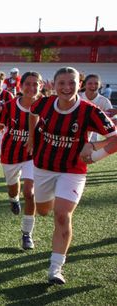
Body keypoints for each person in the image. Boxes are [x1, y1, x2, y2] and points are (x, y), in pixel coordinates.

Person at [27, 66, 116, 285]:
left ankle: (55, 269)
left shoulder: (90, 111)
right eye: (62, 83)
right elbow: (32, 113)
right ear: (55, 85)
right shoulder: (44, 103)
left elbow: (115, 138)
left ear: (81, 84)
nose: (67, 87)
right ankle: (51, 205)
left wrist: (94, 150)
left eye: (72, 83)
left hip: (73, 170)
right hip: (43, 166)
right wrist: (31, 137)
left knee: (62, 215)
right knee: (45, 210)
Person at [0, 71, 43, 250]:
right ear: (21, 86)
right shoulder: (10, 106)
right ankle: (13, 199)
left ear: (40, 87)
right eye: (28, 84)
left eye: (36, 84)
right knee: (13, 189)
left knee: (30, 192)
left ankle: (27, 234)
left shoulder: (46, 107)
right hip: (11, 155)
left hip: (32, 156)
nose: (31, 88)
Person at [79, 74, 115, 142]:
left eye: (96, 83)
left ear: (100, 85)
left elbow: (112, 121)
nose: (93, 86)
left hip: (93, 141)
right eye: (90, 83)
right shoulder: (77, 97)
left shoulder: (104, 101)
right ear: (84, 84)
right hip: (74, 137)